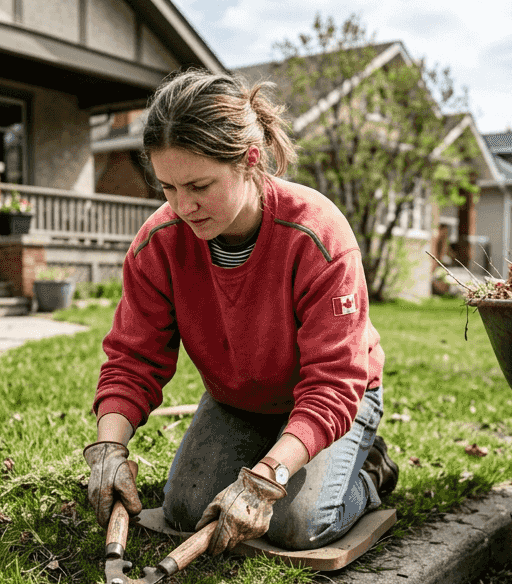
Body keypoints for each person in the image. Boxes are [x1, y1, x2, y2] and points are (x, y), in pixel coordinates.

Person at [83, 70, 398, 555]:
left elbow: (333, 382)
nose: (183, 205)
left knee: (296, 524)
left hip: (333, 398)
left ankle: (368, 469)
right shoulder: (160, 243)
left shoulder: (316, 236)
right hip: (240, 399)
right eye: (167, 187)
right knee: (187, 508)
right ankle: (279, 456)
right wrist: (108, 449)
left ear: (250, 160)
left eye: (199, 185)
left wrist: (265, 479)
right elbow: (133, 359)